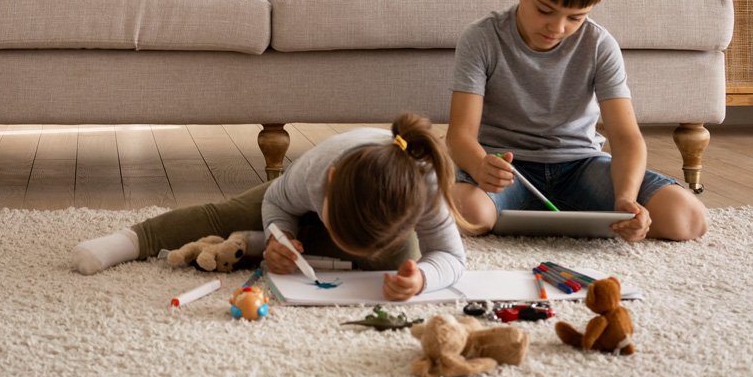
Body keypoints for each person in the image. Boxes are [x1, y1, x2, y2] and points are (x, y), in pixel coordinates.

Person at [446, 0, 708, 242]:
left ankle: (537, 217)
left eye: (575, 17)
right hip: (508, 173)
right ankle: (524, 211)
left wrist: (625, 198)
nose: (556, 28)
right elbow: (460, 134)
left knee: (688, 218)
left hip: (581, 166)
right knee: (467, 214)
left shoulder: (599, 45)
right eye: (544, 10)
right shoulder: (481, 38)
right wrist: (478, 165)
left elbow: (626, 137)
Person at [71, 113, 470, 301]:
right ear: (329, 183)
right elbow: (278, 203)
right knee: (226, 214)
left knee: (400, 262)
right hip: (294, 200)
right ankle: (131, 239)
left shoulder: (426, 187)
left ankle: (255, 245)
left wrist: (421, 280)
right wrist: (283, 234)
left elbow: (451, 257)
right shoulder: (315, 171)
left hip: (373, 226)